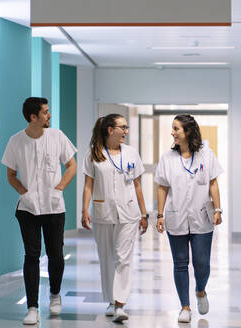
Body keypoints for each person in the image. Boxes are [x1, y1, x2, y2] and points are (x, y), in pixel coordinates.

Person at [2, 97, 77, 325]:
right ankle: (32, 307)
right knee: (32, 255)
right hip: (28, 208)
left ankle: (55, 294)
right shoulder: (16, 142)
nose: (49, 116)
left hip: (54, 207)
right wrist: (25, 193)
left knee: (56, 254)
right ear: (33, 117)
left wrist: (60, 188)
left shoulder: (57, 137)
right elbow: (11, 175)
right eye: (46, 112)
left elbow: (72, 166)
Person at [154, 114, 223, 323]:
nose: (172, 133)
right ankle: (185, 306)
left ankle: (200, 290)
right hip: (176, 217)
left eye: (176, 129)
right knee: (180, 263)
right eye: (172, 129)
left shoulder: (206, 154)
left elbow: (213, 183)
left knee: (202, 264)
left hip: (202, 218)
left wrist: (218, 209)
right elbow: (162, 187)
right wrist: (159, 214)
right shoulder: (167, 158)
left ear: (188, 132)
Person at [81, 113, 149, 323]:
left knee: (123, 257)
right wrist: (85, 210)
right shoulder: (94, 154)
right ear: (110, 130)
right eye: (123, 127)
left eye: (126, 128)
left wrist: (144, 213)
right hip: (103, 212)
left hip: (129, 214)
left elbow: (137, 185)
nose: (126, 132)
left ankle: (120, 303)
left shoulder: (131, 153)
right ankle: (111, 299)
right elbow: (88, 185)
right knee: (107, 258)